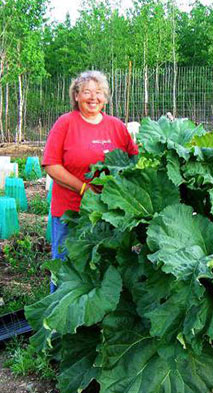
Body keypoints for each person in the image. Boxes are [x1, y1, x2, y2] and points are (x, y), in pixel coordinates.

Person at [42, 70, 138, 292]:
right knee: (66, 266)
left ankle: (97, 321)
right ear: (76, 96)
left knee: (106, 266)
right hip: (71, 211)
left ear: (105, 97)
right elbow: (51, 165)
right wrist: (84, 188)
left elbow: (133, 161)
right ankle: (60, 318)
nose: (93, 98)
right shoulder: (65, 123)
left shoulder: (116, 126)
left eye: (99, 92)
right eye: (87, 92)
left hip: (109, 211)